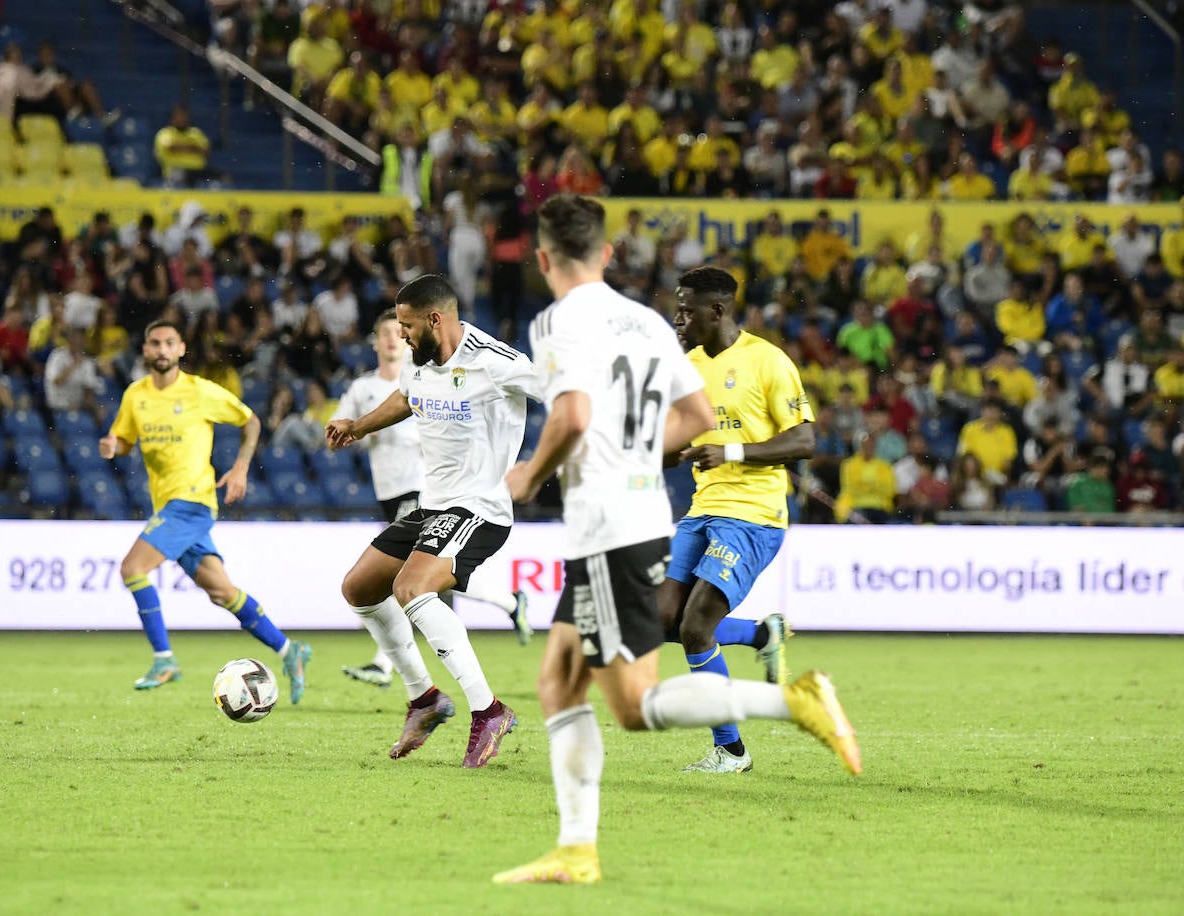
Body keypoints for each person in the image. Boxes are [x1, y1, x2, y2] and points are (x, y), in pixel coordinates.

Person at [495, 195, 859, 886]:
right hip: (660, 517)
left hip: (619, 522)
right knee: (570, 677)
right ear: (605, 254)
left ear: (543, 260)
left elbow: (571, 414)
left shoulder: (559, 322)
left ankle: (787, 703)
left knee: (631, 696)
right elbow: (692, 419)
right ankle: (577, 849)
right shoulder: (652, 329)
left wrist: (530, 473)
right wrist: (641, 457)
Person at [326, 275, 536, 769]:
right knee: (358, 588)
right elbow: (406, 399)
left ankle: (490, 711)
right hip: (432, 505)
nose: (400, 335)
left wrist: (543, 462)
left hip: (480, 507)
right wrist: (358, 426)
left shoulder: (495, 361)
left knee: (413, 588)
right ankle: (425, 700)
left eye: (406, 326)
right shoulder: (420, 366)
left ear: (435, 319)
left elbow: (570, 398)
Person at [100, 320, 313, 697]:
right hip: (168, 505)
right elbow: (126, 441)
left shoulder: (200, 391)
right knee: (223, 592)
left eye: (169, 342)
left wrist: (242, 467)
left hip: (193, 502)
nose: (162, 349)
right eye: (155, 343)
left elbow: (251, 421)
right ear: (146, 350)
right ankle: (289, 648)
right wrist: (113, 446)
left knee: (132, 569)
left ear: (181, 348)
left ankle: (165, 659)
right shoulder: (136, 395)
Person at [657, 264, 814, 774]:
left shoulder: (768, 361)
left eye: (687, 309)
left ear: (717, 310)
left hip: (753, 515)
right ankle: (760, 635)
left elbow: (804, 440)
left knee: (698, 625)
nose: (678, 318)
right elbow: (671, 442)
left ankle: (731, 751)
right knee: (664, 621)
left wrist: (731, 451)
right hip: (702, 510)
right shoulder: (687, 367)